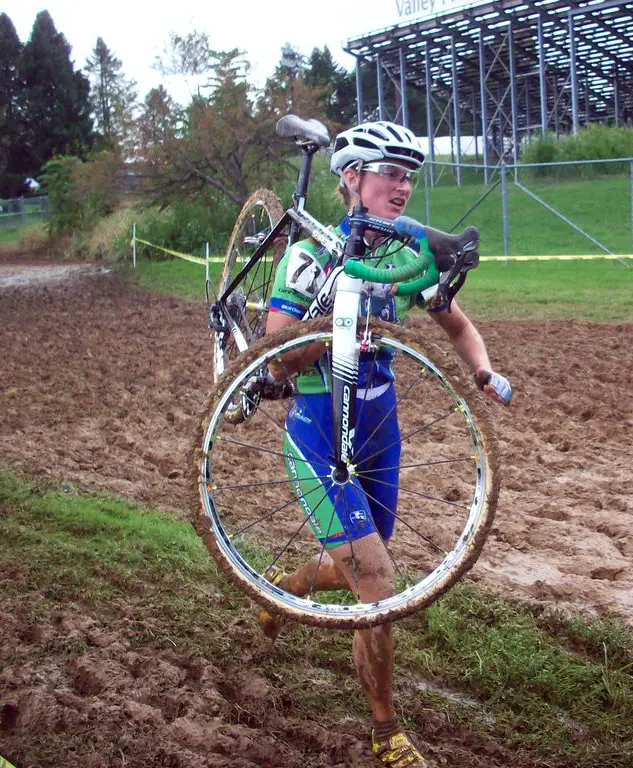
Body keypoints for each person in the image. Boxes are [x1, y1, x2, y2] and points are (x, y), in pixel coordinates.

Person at [257, 120, 512, 768]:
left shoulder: (401, 258)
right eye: (389, 173)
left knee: (358, 565)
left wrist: (483, 371)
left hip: (382, 433)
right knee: (376, 578)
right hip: (320, 435)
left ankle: (285, 585)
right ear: (351, 179)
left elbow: (455, 323)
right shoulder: (309, 256)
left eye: (409, 176)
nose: (403, 186)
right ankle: (385, 731)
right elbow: (273, 359)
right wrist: (340, 316)